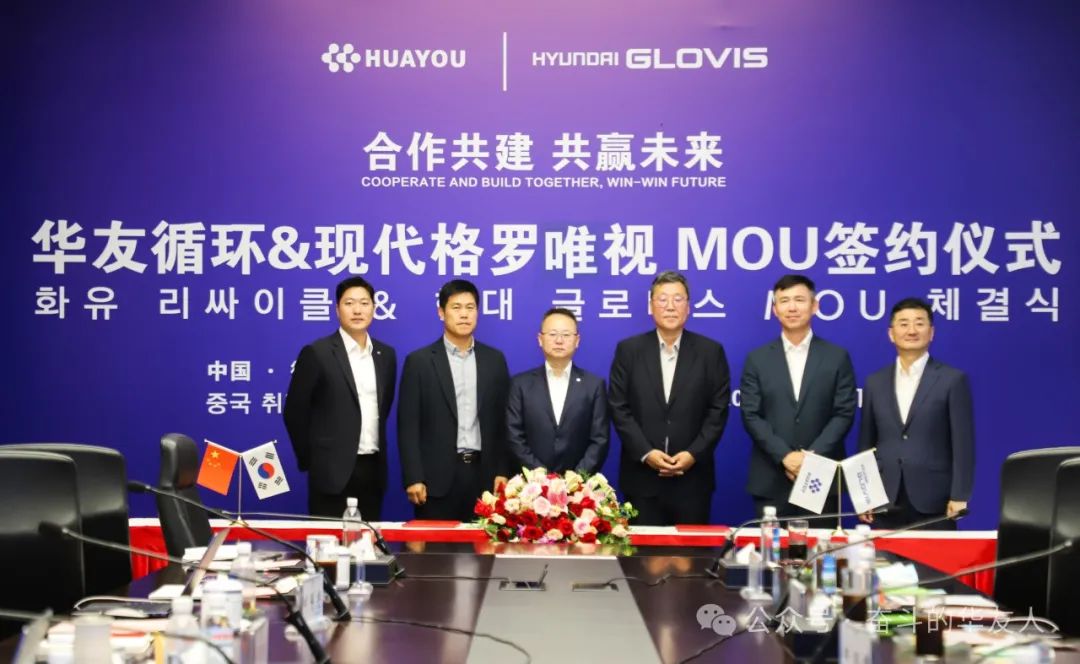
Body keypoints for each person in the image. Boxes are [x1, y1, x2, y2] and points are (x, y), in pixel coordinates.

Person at [608, 271, 730, 525]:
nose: (670, 306)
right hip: (641, 480)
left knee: (691, 551)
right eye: (662, 299)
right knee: (641, 551)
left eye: (678, 299)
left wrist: (693, 454)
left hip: (693, 481)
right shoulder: (628, 350)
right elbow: (619, 408)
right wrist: (646, 453)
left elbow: (717, 411)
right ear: (650, 306)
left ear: (688, 307)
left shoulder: (710, 352)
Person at [741, 274, 857, 517]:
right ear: (775, 309)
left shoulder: (837, 357)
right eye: (784, 301)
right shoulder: (757, 359)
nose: (792, 307)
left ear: (814, 306)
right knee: (770, 542)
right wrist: (785, 456)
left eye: (799, 300)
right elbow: (751, 415)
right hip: (771, 477)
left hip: (821, 478)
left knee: (820, 542)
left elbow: (844, 413)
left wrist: (810, 460)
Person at [283, 276, 397, 519]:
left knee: (369, 541)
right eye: (349, 303)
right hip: (330, 472)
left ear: (374, 308)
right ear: (337, 309)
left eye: (364, 303)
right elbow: (295, 412)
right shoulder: (318, 352)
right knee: (328, 541)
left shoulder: (385, 355)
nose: (357, 310)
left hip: (373, 470)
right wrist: (313, 461)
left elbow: (384, 408)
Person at [398, 279, 511, 520]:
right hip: (435, 480)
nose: (464, 314)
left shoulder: (494, 360)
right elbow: (408, 425)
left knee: (484, 544)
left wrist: (503, 470)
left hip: (485, 478)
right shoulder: (419, 361)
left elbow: (503, 422)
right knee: (436, 545)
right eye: (456, 307)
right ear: (441, 312)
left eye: (470, 307)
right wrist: (413, 476)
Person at [858, 298, 974, 529]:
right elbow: (866, 443)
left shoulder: (952, 379)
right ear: (891, 334)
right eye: (903, 324)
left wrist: (960, 495)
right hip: (885, 497)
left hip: (934, 498)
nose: (911, 330)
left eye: (919, 323)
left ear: (931, 332)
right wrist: (865, 495)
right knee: (884, 554)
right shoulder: (875, 382)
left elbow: (963, 444)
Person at [506, 307, 609, 475]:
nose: (559, 340)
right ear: (540, 339)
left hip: (579, 487)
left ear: (577, 340)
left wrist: (575, 480)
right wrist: (542, 479)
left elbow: (600, 439)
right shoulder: (520, 384)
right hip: (532, 485)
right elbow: (514, 435)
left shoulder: (594, 385)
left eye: (566, 335)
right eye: (553, 334)